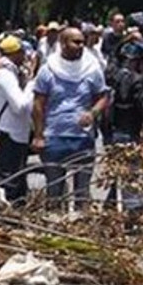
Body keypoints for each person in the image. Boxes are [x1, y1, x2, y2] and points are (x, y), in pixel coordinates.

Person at [31, 26, 109, 204]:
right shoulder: (48, 70)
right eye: (76, 42)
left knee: (82, 191)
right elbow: (38, 104)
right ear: (63, 43)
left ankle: (80, 227)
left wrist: (93, 112)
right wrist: (38, 135)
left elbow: (103, 96)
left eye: (82, 42)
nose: (81, 45)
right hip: (54, 137)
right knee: (55, 191)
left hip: (82, 138)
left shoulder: (91, 69)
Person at [0, 36, 33, 201]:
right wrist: (32, 84)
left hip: (17, 132)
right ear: (15, 53)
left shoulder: (11, 72)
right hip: (10, 132)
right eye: (22, 53)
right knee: (10, 181)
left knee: (18, 179)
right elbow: (20, 106)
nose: (25, 57)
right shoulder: (5, 75)